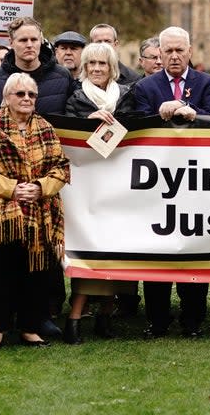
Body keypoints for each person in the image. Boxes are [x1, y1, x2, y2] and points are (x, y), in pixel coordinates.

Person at [0, 72, 70, 350]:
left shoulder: (45, 128)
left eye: (31, 94)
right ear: (7, 98)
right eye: (20, 94)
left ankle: (30, 329)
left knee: (35, 273)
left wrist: (40, 187)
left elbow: (61, 167)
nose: (26, 99)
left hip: (39, 211)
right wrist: (12, 188)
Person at [129, 26, 210, 338]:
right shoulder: (145, 87)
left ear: (190, 52)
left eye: (180, 50)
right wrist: (160, 114)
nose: (175, 56)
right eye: (168, 50)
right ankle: (157, 319)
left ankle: (193, 319)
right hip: (159, 184)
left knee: (194, 252)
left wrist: (191, 113)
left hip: (198, 182)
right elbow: (138, 127)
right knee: (158, 252)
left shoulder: (208, 83)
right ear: (160, 53)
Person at [61, 43, 138, 342]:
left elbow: (136, 131)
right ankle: (75, 320)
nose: (96, 69)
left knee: (117, 253)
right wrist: (86, 124)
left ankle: (106, 317)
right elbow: (68, 133)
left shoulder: (127, 95)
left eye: (102, 64)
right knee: (89, 253)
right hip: (88, 188)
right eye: (91, 63)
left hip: (121, 186)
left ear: (112, 67)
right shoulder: (77, 97)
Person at [0, 17, 76, 135]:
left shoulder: (63, 76)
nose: (29, 45)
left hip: (51, 150)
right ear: (11, 42)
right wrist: (9, 129)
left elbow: (76, 114)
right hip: (7, 150)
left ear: (41, 41)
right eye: (23, 40)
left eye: (34, 40)